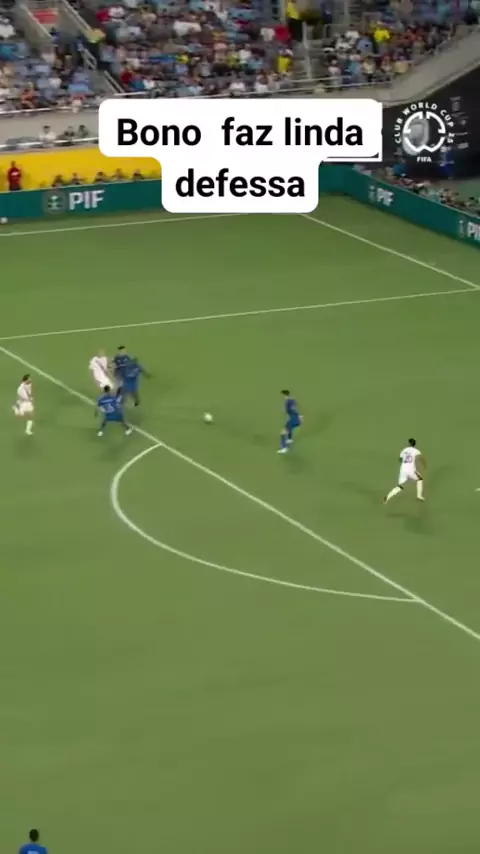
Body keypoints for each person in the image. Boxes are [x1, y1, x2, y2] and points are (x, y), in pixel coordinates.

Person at [383, 438, 425, 503]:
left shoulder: (404, 450)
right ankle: (419, 496)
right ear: (414, 444)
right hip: (411, 470)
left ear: (409, 443)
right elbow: (421, 458)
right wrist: (424, 465)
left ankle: (388, 497)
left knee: (399, 486)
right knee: (420, 479)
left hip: (403, 470)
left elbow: (400, 459)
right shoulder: (416, 451)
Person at [277, 389, 302, 453]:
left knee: (282, 433)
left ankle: (284, 448)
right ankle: (290, 439)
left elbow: (291, 409)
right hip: (297, 420)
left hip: (294, 420)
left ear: (284, 395)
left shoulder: (287, 402)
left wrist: (287, 411)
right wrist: (300, 415)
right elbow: (296, 408)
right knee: (288, 426)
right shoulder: (293, 400)